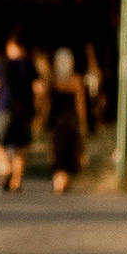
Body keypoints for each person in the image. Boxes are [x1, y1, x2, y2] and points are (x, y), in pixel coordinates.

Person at [0, 31, 38, 193]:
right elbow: (39, 89)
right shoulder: (30, 66)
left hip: (4, 108)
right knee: (22, 147)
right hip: (25, 111)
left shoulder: (1, 65)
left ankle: (5, 167)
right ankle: (16, 181)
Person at [43, 44, 91, 192]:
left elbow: (46, 101)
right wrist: (83, 123)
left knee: (58, 151)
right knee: (69, 151)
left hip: (56, 120)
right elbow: (80, 104)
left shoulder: (52, 79)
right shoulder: (76, 80)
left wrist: (43, 117)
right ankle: (63, 182)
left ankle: (59, 181)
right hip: (71, 120)